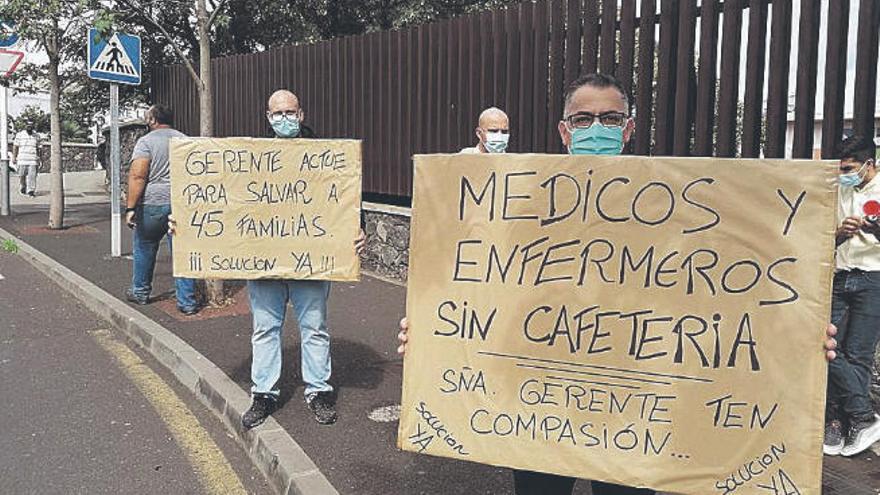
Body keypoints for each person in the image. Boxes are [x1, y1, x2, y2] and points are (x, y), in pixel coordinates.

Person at [398, 73, 839, 494]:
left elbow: (721, 290)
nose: (597, 128)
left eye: (610, 119)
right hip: (541, 409)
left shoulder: (674, 208)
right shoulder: (524, 203)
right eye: (583, 119)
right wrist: (430, 332)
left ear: (628, 129)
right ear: (564, 131)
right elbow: (478, 285)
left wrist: (797, 339)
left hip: (636, 413)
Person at [238, 89, 366, 429]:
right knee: (265, 328)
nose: (284, 118)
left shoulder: (326, 156)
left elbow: (347, 198)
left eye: (289, 112)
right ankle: (263, 394)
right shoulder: (251, 157)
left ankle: (319, 391)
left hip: (312, 259)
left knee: (314, 327)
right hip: (265, 262)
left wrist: (359, 228)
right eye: (277, 113)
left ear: (301, 114)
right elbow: (229, 200)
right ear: (268, 117)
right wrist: (188, 224)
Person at [824, 134, 880, 457]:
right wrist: (839, 234)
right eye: (842, 167)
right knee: (826, 346)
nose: (844, 173)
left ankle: (844, 424)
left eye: (849, 167)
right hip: (841, 275)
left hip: (873, 277)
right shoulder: (839, 190)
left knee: (857, 354)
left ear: (868, 165)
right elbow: (823, 237)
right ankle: (860, 416)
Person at [123, 104, 199, 316]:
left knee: (145, 246)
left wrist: (130, 207)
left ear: (153, 121)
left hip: (152, 204)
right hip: (181, 202)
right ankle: (187, 302)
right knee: (182, 252)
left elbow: (138, 176)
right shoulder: (184, 140)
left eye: (148, 117)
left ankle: (140, 291)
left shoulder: (145, 142)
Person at [12, 124, 39, 197]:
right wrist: (14, 157)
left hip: (33, 159)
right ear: (25, 126)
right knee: (21, 175)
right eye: (28, 125)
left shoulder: (36, 136)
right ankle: (23, 186)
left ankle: (31, 190)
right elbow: (15, 146)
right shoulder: (20, 135)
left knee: (32, 176)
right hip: (22, 159)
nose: (29, 127)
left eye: (31, 125)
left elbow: (38, 148)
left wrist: (39, 158)